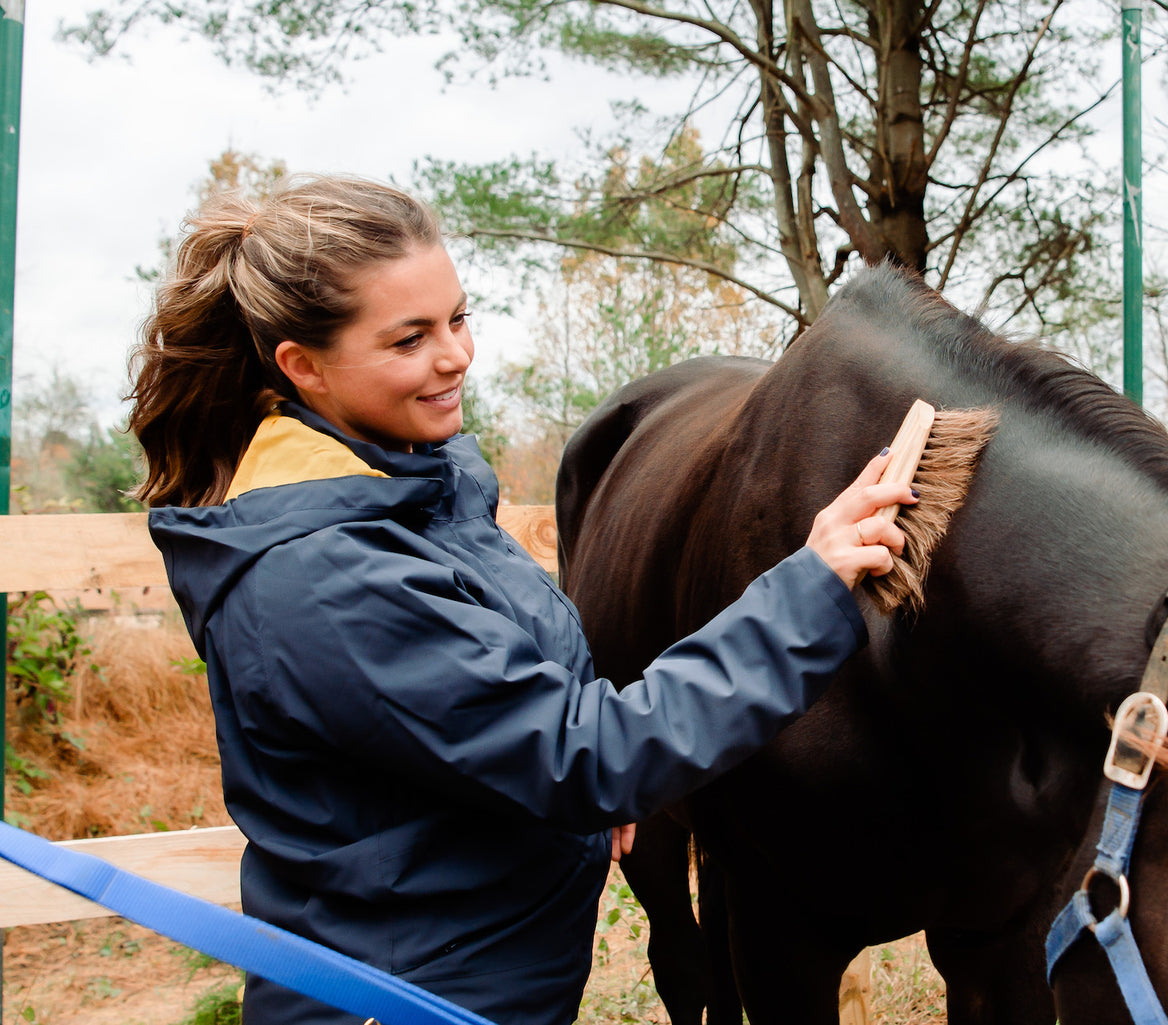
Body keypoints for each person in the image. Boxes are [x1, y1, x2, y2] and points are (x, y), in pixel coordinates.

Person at [130, 175, 917, 1025]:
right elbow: (586, 752)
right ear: (302, 365)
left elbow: (503, 722)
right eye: (409, 339)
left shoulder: (412, 489)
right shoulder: (327, 579)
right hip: (405, 1002)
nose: (455, 356)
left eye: (458, 319)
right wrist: (812, 587)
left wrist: (576, 812)